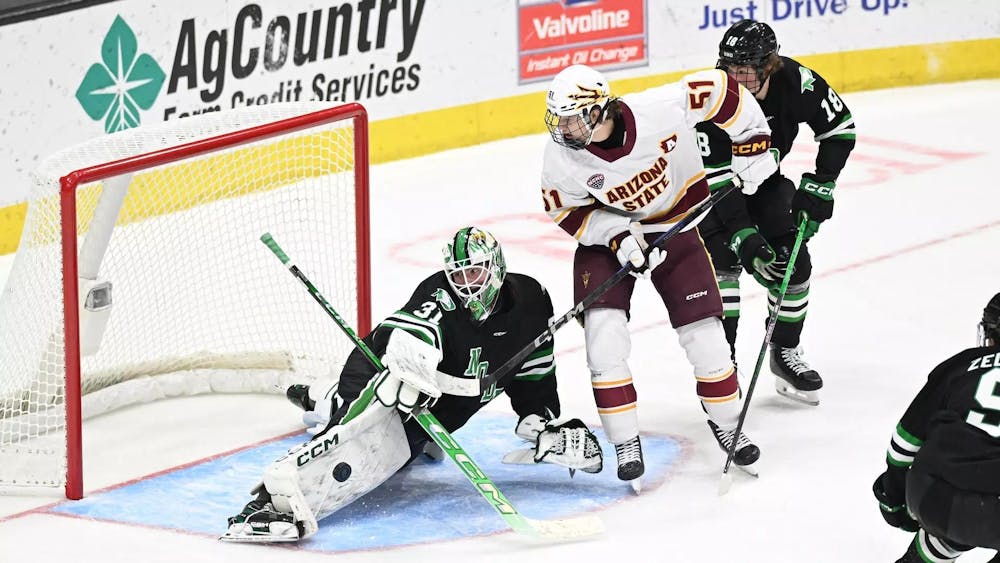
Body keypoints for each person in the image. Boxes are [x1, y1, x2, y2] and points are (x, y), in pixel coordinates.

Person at [222, 227, 603, 542]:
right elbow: (406, 330)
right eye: (458, 275)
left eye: (475, 273)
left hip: (432, 412)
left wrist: (543, 422)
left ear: (497, 268)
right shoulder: (439, 294)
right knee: (352, 436)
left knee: (395, 455)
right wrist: (411, 362)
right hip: (382, 373)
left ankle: (318, 396)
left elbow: (532, 373)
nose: (466, 285)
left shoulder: (532, 302)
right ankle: (269, 504)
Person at [540, 62, 776, 488]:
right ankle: (625, 441)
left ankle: (727, 422)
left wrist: (753, 145)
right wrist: (618, 237)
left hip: (676, 228)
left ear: (599, 111)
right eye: (559, 120)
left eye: (573, 119)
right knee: (603, 335)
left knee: (707, 337)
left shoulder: (660, 109)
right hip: (609, 243)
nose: (564, 130)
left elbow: (724, 90)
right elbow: (566, 209)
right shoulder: (562, 157)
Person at [695, 19, 856, 406]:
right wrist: (743, 237)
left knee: (794, 267)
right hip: (708, 194)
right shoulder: (711, 98)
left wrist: (821, 184)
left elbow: (840, 129)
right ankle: (722, 369)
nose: (737, 76)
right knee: (723, 272)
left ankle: (783, 351)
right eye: (731, 67)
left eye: (747, 68)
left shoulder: (797, 82)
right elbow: (715, 184)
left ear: (770, 65)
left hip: (765, 183)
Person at [872, 292, 1000, 563]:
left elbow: (904, 444)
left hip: (932, 497)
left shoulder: (962, 363)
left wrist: (893, 496)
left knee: (953, 520)